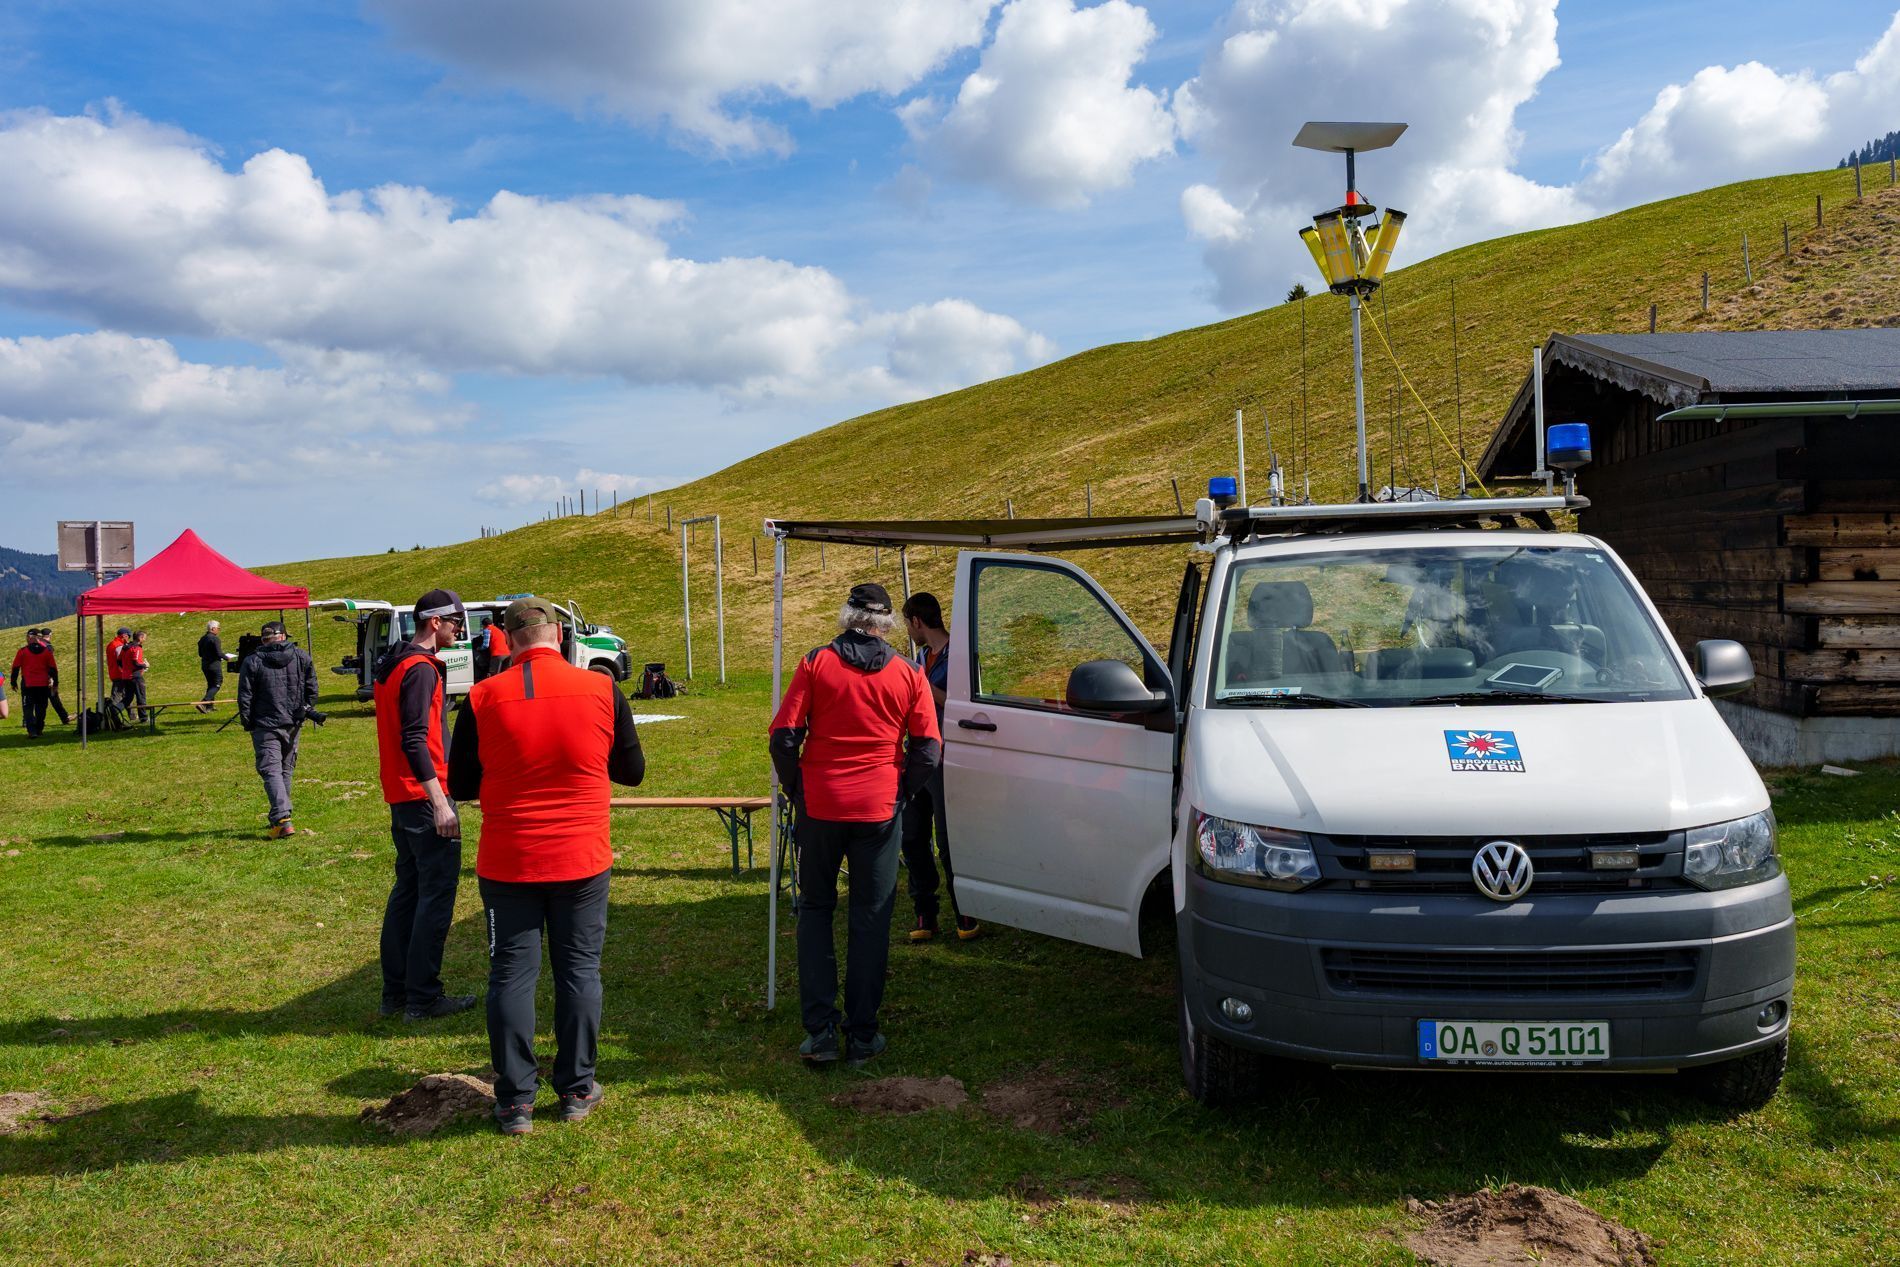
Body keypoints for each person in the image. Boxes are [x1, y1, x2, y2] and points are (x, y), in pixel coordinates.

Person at [448, 596, 646, 1135]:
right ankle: (577, 1088)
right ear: (559, 636)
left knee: (511, 974)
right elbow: (632, 771)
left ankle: (516, 1101)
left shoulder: (483, 696)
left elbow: (460, 784)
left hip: (510, 857)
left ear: (509, 640)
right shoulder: (602, 688)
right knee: (579, 970)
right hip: (581, 855)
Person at [769, 582, 940, 1068]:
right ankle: (863, 1033)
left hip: (822, 804)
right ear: (887, 623)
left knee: (816, 909)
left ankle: (821, 1031)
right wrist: (902, 791)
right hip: (878, 807)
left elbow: (784, 737)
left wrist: (798, 790)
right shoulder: (909, 672)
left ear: (847, 616)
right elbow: (929, 748)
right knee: (870, 917)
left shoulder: (816, 663)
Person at [375, 588, 477, 1023]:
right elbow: (415, 738)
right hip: (422, 796)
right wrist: (440, 801)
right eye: (456, 622)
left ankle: (396, 994)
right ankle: (422, 998)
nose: (460, 631)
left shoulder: (396, 663)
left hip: (403, 794)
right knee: (433, 897)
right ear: (435, 622)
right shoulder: (419, 669)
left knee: (409, 892)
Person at [898, 593, 978, 943]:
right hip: (918, 758)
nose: (908, 630)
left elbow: (963, 705)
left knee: (948, 842)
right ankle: (925, 914)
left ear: (917, 621)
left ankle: (965, 911)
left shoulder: (959, 655)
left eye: (908, 623)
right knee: (913, 838)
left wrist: (926, 688)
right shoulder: (920, 659)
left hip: (949, 758)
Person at [236, 620, 318, 838]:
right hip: (292, 722)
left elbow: (245, 695)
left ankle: (282, 819)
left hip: (265, 724)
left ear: (264, 639)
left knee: (271, 770)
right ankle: (281, 816)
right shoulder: (301, 656)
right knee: (284, 769)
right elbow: (312, 689)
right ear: (283, 636)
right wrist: (305, 709)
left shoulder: (252, 661)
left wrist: (248, 722)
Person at [9, 629, 59, 738]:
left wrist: (13, 682)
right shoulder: (46, 652)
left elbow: (15, 668)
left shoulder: (22, 651)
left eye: (27, 637)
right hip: (43, 684)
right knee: (41, 708)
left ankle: (32, 731)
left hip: (28, 684)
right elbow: (53, 669)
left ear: (30, 637)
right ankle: (39, 729)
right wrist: (55, 684)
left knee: (28, 708)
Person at [37, 631, 71, 726]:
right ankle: (64, 718)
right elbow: (49, 664)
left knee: (37, 701)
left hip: (36, 678)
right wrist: (51, 678)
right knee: (54, 698)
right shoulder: (48, 647)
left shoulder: (36, 645)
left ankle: (27, 720)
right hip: (47, 678)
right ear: (50, 635)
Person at [120, 630, 149, 722]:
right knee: (141, 697)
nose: (145, 639)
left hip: (125, 677)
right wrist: (145, 665)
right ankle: (143, 718)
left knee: (128, 698)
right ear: (140, 638)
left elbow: (119, 661)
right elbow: (136, 662)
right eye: (144, 638)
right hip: (135, 677)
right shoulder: (137, 648)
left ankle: (115, 709)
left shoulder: (125, 647)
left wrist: (126, 669)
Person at [197, 621, 226, 712]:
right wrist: (227, 657)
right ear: (213, 629)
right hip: (214, 665)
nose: (219, 630)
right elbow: (219, 653)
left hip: (205, 665)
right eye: (218, 628)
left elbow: (200, 654)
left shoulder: (202, 639)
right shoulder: (215, 639)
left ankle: (209, 707)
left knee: (211, 685)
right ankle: (203, 703)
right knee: (217, 684)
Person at [105, 626, 132, 715]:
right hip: (120, 674)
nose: (128, 639)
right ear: (124, 635)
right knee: (117, 697)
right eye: (128, 636)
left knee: (127, 695)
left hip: (113, 672)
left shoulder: (111, 644)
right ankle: (112, 715)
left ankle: (133, 715)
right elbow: (122, 660)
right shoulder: (120, 646)